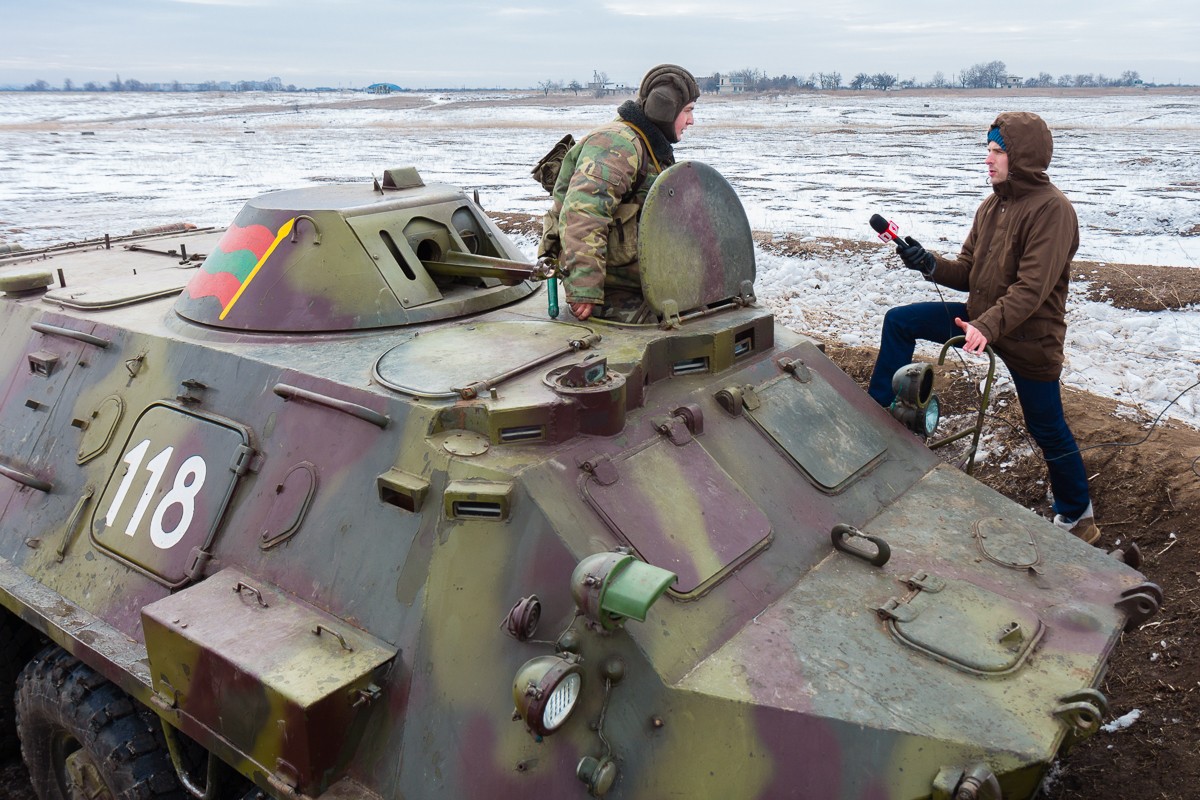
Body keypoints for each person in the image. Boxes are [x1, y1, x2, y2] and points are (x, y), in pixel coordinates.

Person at [866, 111, 1100, 544]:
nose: (988, 159)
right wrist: (931, 264)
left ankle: (1077, 516)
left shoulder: (1054, 211)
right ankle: (877, 421)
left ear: (1023, 157)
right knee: (899, 321)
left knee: (1046, 426)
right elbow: (971, 270)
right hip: (981, 318)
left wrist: (987, 327)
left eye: (998, 151)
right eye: (988, 150)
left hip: (1030, 337)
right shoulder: (992, 204)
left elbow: (1031, 290)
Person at [538, 64, 699, 322]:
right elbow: (584, 214)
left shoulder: (649, 144)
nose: (691, 120)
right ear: (665, 109)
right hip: (611, 289)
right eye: (688, 111)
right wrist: (584, 290)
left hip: (639, 279)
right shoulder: (617, 145)